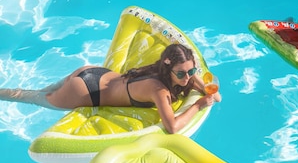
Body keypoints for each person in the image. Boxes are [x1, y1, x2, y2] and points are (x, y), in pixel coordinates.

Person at [0, 44, 220, 134]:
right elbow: (172, 127)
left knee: (37, 92)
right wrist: (200, 104)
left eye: (191, 72)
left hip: (93, 72)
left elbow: (214, 94)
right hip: (86, 90)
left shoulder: (162, 68)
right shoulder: (158, 90)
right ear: (169, 67)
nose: (188, 78)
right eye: (181, 74)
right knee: (37, 98)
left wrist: (202, 85)